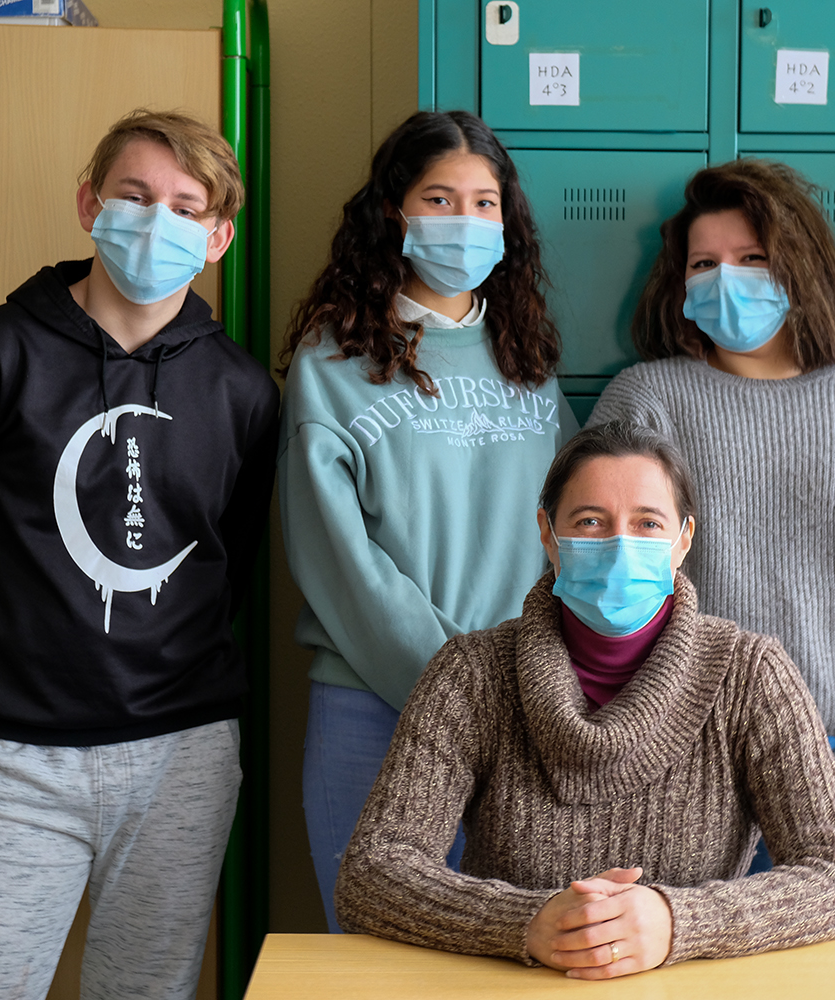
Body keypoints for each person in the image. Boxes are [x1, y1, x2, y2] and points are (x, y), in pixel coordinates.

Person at [0, 109, 278, 1000]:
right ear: (89, 203)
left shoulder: (243, 391)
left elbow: (234, 560)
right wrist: (16, 668)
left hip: (181, 757)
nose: (159, 222)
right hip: (19, 761)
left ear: (220, 236)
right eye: (136, 196)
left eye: (189, 208)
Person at [335, 421, 835, 978]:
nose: (621, 546)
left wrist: (677, 921)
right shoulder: (470, 675)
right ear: (548, 534)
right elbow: (372, 873)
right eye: (590, 522)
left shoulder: (750, 677)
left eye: (647, 524)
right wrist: (526, 921)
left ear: (683, 540)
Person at [588, 159, 835, 933]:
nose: (725, 279)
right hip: (688, 770)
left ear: (800, 265)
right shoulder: (647, 399)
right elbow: (606, 583)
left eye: (751, 258)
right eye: (704, 264)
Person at [278, 109, 576, 931]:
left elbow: (575, 525)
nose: (465, 222)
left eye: (485, 203)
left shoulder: (529, 358)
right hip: (373, 704)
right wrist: (458, 685)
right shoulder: (334, 361)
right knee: (378, 957)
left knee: (516, 956)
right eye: (439, 199)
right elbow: (335, 554)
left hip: (528, 704)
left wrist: (530, 683)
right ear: (392, 213)